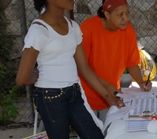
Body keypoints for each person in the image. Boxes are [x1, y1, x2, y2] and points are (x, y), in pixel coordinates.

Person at [15, 0, 124, 138]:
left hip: (74, 93)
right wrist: (36, 75)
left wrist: (109, 97)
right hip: (50, 98)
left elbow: (84, 68)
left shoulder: (73, 27)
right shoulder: (38, 30)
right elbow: (22, 78)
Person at [79, 0, 152, 116]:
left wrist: (142, 82)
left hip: (113, 96)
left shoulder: (128, 31)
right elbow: (82, 68)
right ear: (107, 15)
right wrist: (107, 86)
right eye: (120, 15)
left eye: (127, 13)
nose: (126, 19)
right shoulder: (87, 29)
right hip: (87, 98)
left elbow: (132, 64)